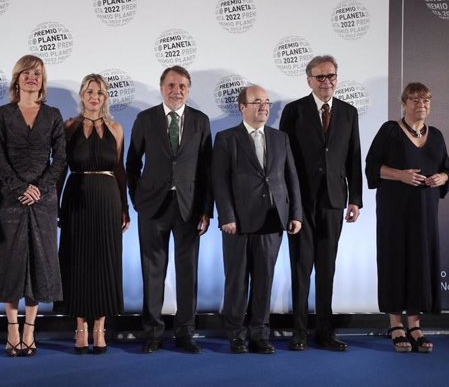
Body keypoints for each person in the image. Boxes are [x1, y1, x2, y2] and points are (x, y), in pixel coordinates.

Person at [0, 54, 66, 357]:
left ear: (42, 81)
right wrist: (20, 187)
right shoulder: (3, 114)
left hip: (43, 201)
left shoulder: (53, 114)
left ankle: (30, 329)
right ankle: (12, 329)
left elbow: (61, 160)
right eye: (27, 73)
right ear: (17, 78)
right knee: (11, 262)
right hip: (10, 198)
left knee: (38, 264)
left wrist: (39, 189)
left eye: (38, 73)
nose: (32, 77)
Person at [126, 65, 213, 354]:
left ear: (188, 90)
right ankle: (152, 332)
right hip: (152, 207)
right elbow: (132, 163)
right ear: (162, 88)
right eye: (171, 86)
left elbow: (206, 170)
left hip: (189, 208)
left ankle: (185, 333)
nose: (177, 91)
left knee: (187, 272)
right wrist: (137, 198)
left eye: (182, 86)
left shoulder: (201, 121)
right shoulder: (145, 119)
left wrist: (206, 209)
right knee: (153, 272)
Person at [279, 55, 362, 351]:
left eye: (331, 76)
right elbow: (283, 160)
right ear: (309, 80)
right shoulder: (294, 111)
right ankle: (299, 332)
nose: (326, 82)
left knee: (327, 268)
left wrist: (356, 199)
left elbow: (353, 157)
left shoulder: (349, 112)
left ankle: (325, 331)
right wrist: (288, 201)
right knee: (300, 268)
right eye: (320, 77)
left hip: (334, 201)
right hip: (301, 202)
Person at [212, 85, 302, 354]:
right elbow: (219, 180)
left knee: (265, 280)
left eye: (266, 102)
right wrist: (226, 215)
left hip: (273, 220)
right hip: (237, 223)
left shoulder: (280, 138)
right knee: (237, 281)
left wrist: (295, 213)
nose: (264, 106)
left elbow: (291, 178)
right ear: (243, 107)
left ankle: (260, 334)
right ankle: (236, 334)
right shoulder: (226, 138)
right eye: (257, 102)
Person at [365, 82, 449, 353]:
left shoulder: (436, 135)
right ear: (404, 103)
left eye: (425, 100)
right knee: (395, 261)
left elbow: (448, 170)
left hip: (425, 213)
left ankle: (415, 324)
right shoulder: (390, 131)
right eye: (414, 100)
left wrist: (443, 177)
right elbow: (371, 167)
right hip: (395, 210)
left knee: (420, 263)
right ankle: (395, 323)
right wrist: (401, 174)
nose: (421, 105)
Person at [58, 74, 130, 354]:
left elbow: (121, 170)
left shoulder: (116, 128)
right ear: (82, 95)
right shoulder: (68, 126)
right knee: (76, 260)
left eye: (99, 92)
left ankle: (100, 327)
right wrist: (55, 203)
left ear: (105, 97)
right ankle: (80, 327)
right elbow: (61, 167)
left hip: (108, 199)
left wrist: (124, 207)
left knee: (105, 262)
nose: (94, 97)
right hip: (76, 196)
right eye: (89, 91)